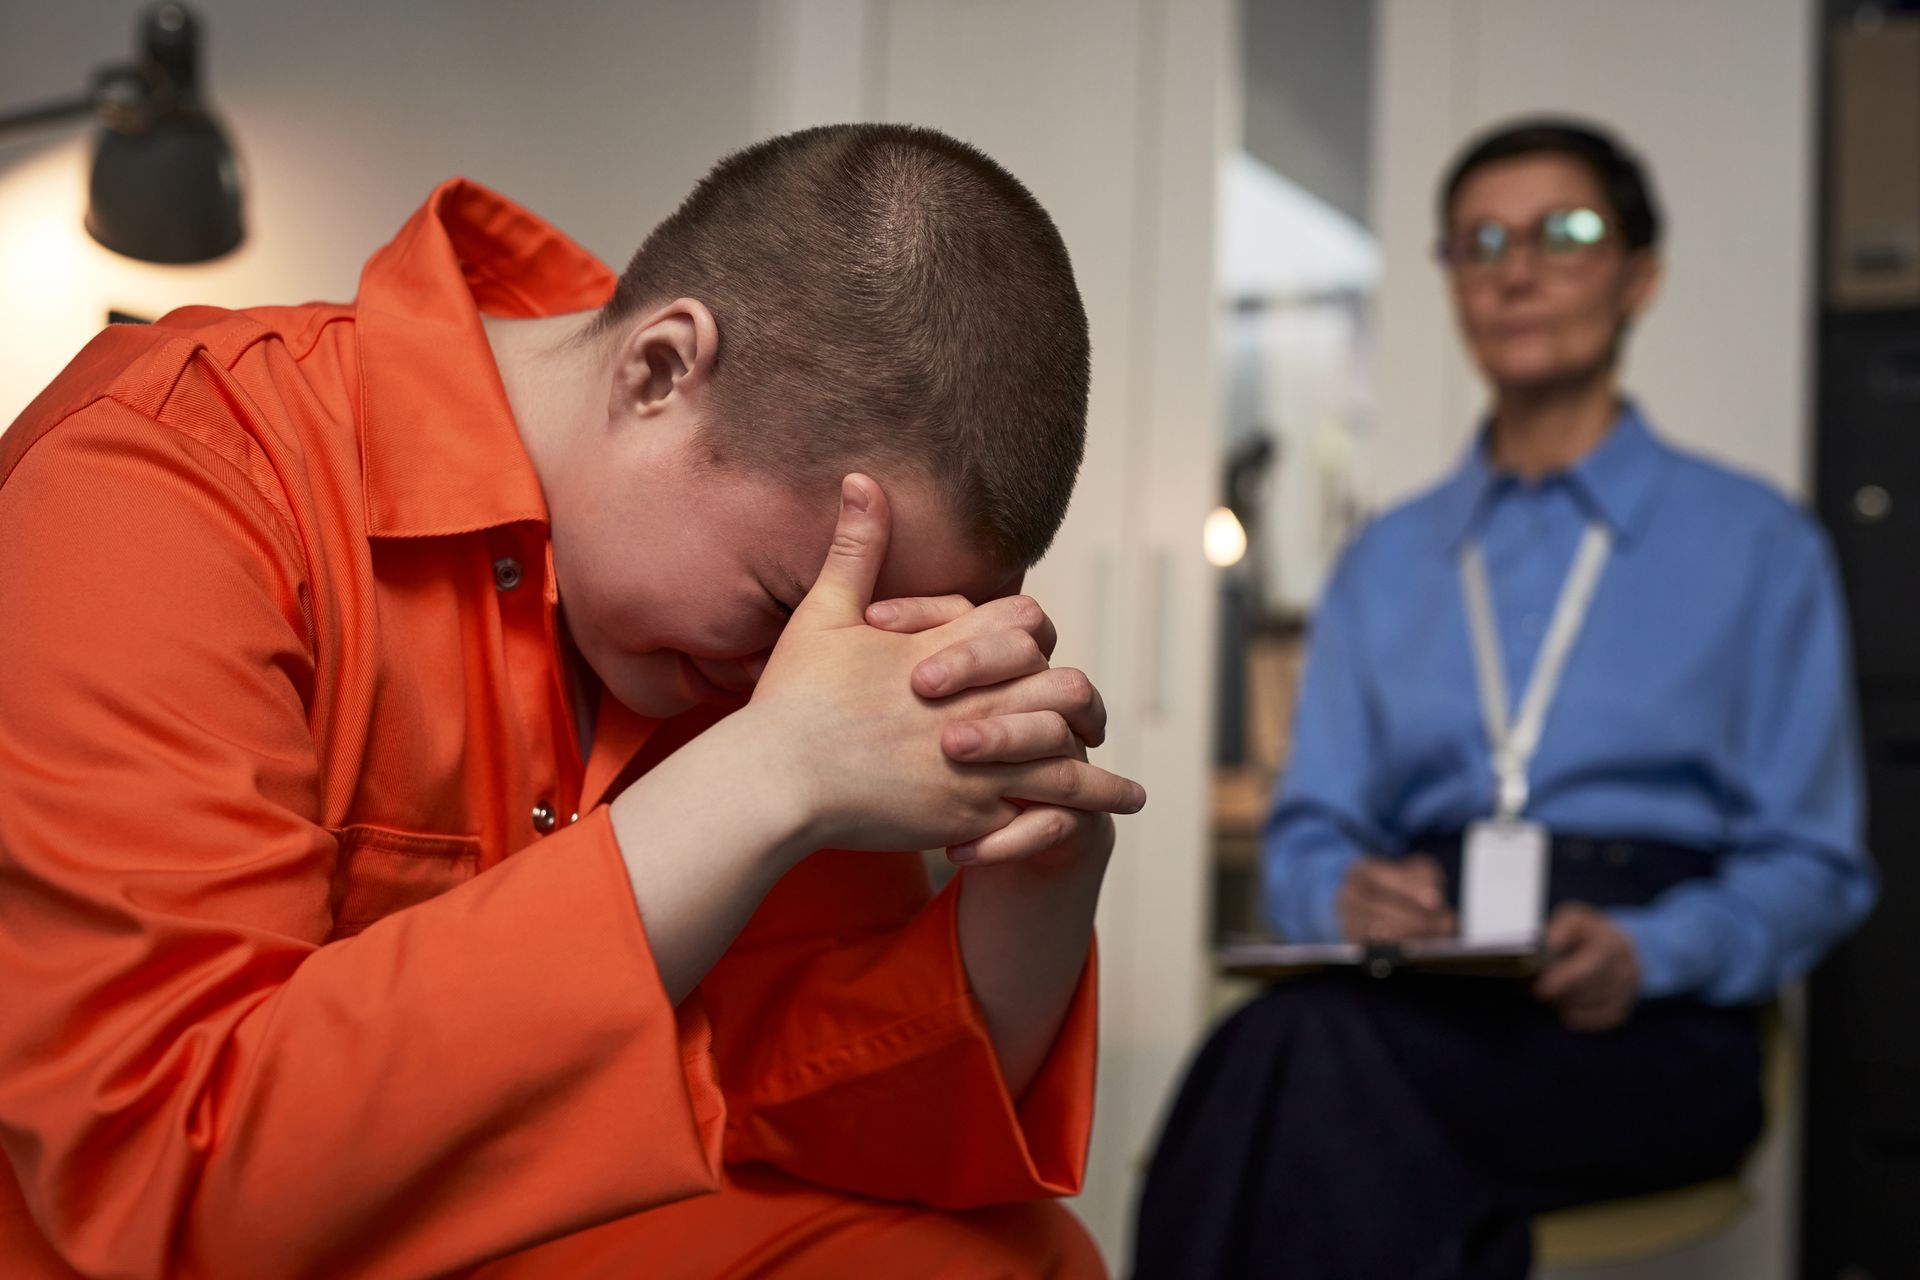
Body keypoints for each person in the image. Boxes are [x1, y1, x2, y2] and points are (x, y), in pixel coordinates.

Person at [0, 125, 1145, 1278]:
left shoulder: (722, 639)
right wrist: (763, 773)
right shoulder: (167, 472)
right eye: (785, 601)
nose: (808, 679)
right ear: (658, 369)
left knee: (1011, 1260)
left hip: (504, 1229)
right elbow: (166, 1170)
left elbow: (800, 1105)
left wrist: (1033, 884)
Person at [1134, 118, 1877, 1278]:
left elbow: (1816, 864)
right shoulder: (1385, 560)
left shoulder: (1757, 543)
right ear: (1452, 282)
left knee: (1288, 1070)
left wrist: (1653, 947)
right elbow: (1309, 833)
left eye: (1561, 234)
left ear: (1640, 275)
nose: (1515, 270)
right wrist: (1343, 891)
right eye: (1479, 242)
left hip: (1646, 1010)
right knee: (1302, 1060)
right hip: (1431, 977)